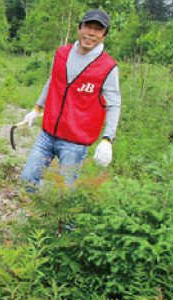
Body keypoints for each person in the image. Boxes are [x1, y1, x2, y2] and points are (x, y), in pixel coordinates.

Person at [20, 9, 121, 193]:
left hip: (75, 142)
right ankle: (34, 218)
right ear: (79, 28)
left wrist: (108, 139)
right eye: (88, 26)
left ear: (104, 35)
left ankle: (66, 224)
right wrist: (36, 108)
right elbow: (52, 81)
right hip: (48, 133)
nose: (91, 33)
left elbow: (114, 104)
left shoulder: (108, 67)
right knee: (28, 177)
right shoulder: (61, 54)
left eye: (98, 29)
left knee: (66, 193)